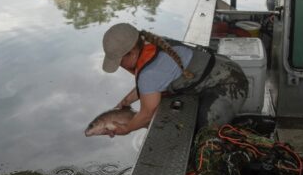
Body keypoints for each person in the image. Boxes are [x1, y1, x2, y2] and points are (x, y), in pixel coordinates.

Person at [101, 23, 249, 136]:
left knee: (205, 136)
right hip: (225, 67)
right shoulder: (149, 42)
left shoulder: (149, 75)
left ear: (132, 53)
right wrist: (125, 102)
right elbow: (153, 83)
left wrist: (126, 129)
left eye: (119, 61)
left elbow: (146, 116)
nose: (120, 66)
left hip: (230, 85)